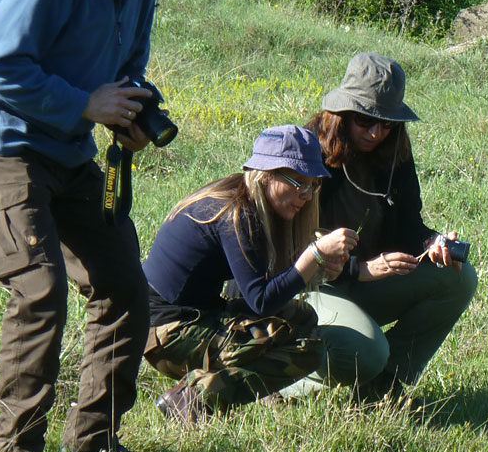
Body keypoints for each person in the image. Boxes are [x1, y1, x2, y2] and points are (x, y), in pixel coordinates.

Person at [0, 0, 222, 452]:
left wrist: (127, 113)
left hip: (70, 152)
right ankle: (12, 450)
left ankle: (95, 442)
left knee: (125, 283)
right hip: (5, 146)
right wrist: (85, 104)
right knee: (40, 290)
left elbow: (128, 70)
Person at [286, 52, 478, 402]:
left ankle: (383, 383)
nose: (376, 132)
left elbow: (408, 224)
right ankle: (280, 382)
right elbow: (286, 252)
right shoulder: (306, 151)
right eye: (364, 120)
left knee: (459, 277)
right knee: (369, 350)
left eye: (387, 123)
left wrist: (431, 241)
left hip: (364, 281)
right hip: (306, 290)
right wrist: (358, 269)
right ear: (342, 113)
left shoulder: (394, 153)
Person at [143, 125, 358, 423]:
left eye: (312, 185)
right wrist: (314, 255)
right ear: (266, 174)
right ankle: (193, 399)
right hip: (167, 330)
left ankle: (250, 390)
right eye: (298, 183)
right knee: (306, 352)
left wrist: (319, 270)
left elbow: (257, 286)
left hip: (195, 311)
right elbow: (260, 301)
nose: (306, 195)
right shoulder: (236, 214)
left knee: (302, 317)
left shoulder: (248, 199)